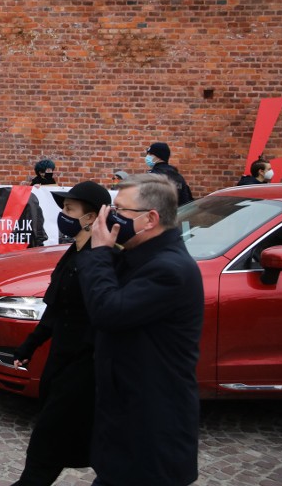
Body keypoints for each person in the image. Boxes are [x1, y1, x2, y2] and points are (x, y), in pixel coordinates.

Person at [77, 173, 203, 486]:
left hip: (153, 429)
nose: (111, 217)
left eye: (120, 210)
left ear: (150, 219)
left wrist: (99, 252)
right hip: (126, 417)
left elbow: (108, 310)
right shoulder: (137, 254)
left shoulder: (169, 269)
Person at [10, 181, 111, 486]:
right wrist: (29, 345)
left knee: (47, 439)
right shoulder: (74, 251)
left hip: (84, 366)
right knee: (66, 435)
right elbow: (57, 309)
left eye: (70, 209)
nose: (63, 215)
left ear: (91, 217)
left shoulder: (103, 259)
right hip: (61, 359)